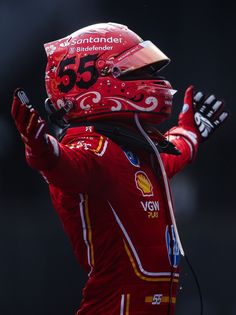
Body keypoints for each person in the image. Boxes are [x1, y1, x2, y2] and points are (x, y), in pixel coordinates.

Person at [11, 22, 228, 315]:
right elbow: (64, 166)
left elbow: (169, 158)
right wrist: (39, 148)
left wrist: (191, 131)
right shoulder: (94, 149)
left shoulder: (130, 150)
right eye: (136, 70)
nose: (151, 78)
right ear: (92, 80)